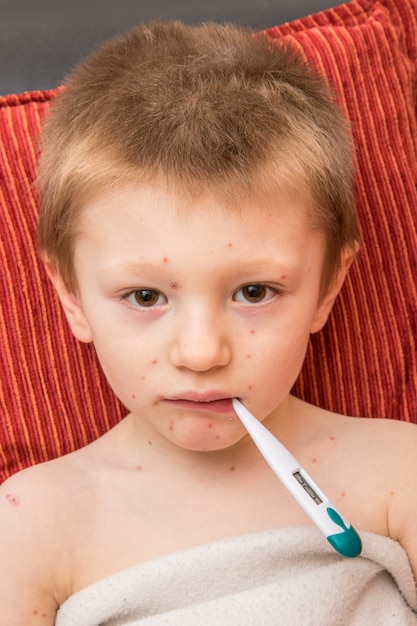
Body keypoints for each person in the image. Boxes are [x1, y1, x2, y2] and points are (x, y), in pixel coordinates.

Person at [1, 21, 416, 625]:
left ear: (328, 286)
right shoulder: (32, 524)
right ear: (70, 297)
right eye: (144, 296)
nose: (200, 353)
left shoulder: (398, 472)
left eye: (254, 291)